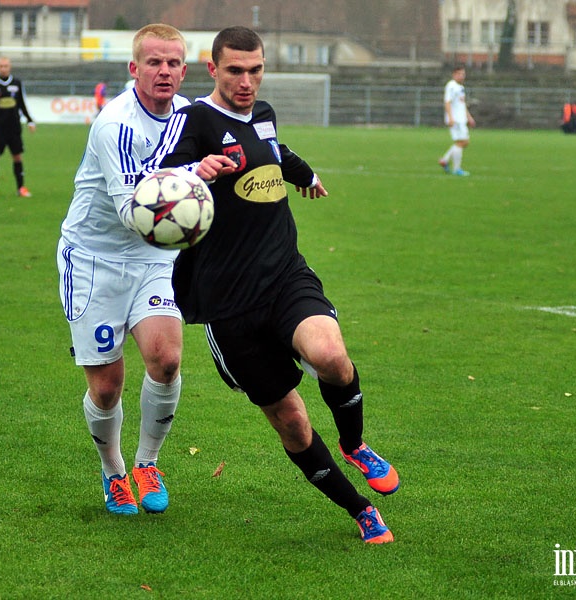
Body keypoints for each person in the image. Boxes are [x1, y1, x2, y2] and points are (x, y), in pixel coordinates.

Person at [142, 26, 399, 544]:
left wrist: (304, 174)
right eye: (235, 70)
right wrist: (197, 170)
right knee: (293, 424)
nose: (246, 81)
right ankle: (360, 509)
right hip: (227, 302)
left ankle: (356, 445)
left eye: (255, 70)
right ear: (212, 69)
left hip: (284, 275)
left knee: (329, 355)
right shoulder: (194, 120)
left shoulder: (263, 112)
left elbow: (273, 148)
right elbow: (158, 174)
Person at [56, 24, 190, 516]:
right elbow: (131, 211)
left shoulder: (189, 116)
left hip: (153, 256)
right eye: (154, 62)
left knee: (166, 358)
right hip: (94, 259)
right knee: (107, 386)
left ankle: (147, 462)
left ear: (184, 69)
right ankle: (113, 472)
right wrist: (196, 181)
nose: (164, 71)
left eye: (173, 62)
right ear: (134, 69)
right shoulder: (115, 124)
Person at [0, 56, 36, 198]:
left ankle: (21, 188)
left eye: (5, 66)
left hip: (14, 127)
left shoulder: (17, 83)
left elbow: (22, 104)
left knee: (17, 157)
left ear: (10, 67)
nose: (3, 69)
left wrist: (30, 121)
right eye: (1, 66)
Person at [438, 65, 476, 176]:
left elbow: (462, 104)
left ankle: (445, 160)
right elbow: (447, 102)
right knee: (462, 142)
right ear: (454, 74)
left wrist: (469, 117)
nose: (462, 76)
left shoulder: (460, 87)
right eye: (459, 74)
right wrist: (450, 117)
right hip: (455, 119)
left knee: (463, 142)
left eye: (463, 74)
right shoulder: (451, 86)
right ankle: (456, 169)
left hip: (461, 119)